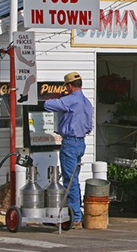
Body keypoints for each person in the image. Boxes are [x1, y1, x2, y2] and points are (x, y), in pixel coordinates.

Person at [44, 72, 93, 227]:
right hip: (81, 142)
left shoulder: (70, 100)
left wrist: (55, 96)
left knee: (69, 181)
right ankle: (75, 212)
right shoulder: (87, 103)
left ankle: (74, 216)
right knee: (75, 179)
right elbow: (89, 126)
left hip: (70, 143)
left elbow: (47, 105)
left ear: (69, 86)